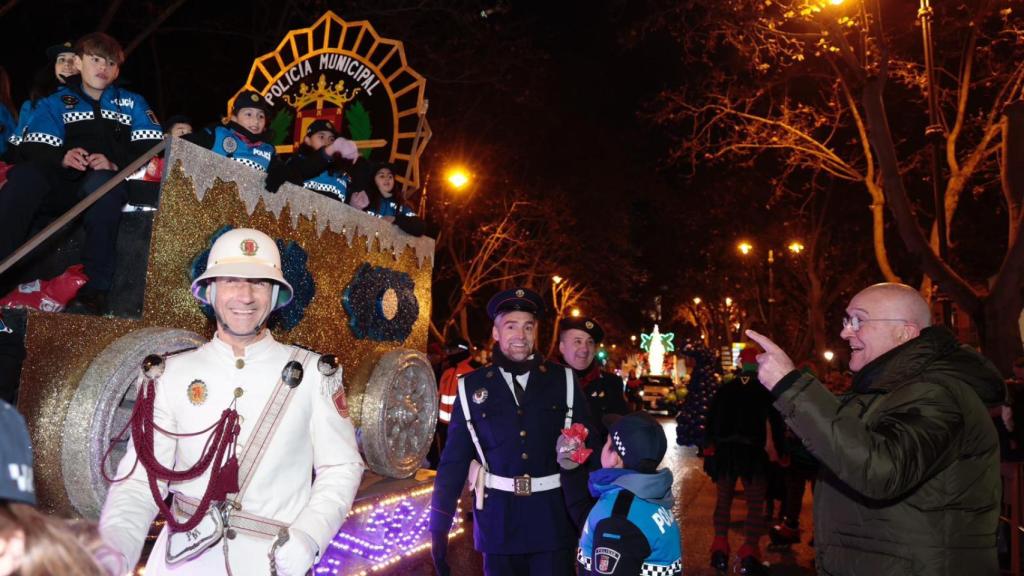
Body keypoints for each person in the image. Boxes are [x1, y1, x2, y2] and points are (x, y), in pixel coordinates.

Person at [99, 227, 365, 575]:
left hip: (271, 563)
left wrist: (310, 535)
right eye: (231, 281)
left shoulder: (315, 373)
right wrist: (115, 548)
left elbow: (342, 467)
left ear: (274, 295)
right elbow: (138, 484)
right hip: (181, 563)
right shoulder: (170, 374)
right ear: (209, 291)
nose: (245, 295)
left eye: (259, 282)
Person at [747, 282, 1004, 575]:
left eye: (858, 319)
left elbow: (882, 470)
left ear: (904, 333)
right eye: (846, 320)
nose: (845, 332)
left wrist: (791, 387)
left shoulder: (939, 394)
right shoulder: (883, 393)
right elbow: (843, 456)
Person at [429, 287, 594, 576]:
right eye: (511, 326)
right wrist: (439, 525)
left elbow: (582, 459)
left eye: (528, 327)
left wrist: (588, 519)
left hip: (553, 524)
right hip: (497, 525)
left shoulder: (563, 381)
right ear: (495, 333)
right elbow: (453, 463)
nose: (520, 335)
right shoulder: (470, 387)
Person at [0, 33, 163, 314]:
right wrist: (62, 157)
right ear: (78, 62)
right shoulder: (55, 102)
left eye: (111, 62)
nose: (103, 67)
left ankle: (95, 289)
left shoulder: (132, 102)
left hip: (107, 184)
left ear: (117, 70)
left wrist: (115, 163)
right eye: (96, 59)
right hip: (63, 184)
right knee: (25, 178)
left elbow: (152, 145)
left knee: (103, 185)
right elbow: (34, 145)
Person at [557, 411, 680, 576]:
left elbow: (613, 524)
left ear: (615, 458)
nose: (602, 447)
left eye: (606, 442)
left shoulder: (618, 520)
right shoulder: (639, 499)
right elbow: (592, 519)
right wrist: (570, 470)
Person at [702, 346, 783, 575]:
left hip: (726, 453)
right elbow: (776, 425)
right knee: (755, 505)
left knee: (724, 500)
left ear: (740, 364)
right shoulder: (765, 391)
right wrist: (781, 453)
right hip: (753, 454)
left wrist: (709, 446)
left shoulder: (726, 389)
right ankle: (749, 552)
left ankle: (719, 548)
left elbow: (711, 419)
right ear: (758, 364)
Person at [264, 119, 369, 209]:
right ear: (308, 140)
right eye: (321, 137)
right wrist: (329, 150)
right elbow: (305, 169)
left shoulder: (342, 173)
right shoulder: (297, 162)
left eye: (331, 139)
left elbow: (345, 212)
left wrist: (354, 205)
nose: (327, 142)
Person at [557, 316, 628, 444]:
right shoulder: (545, 382)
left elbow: (622, 433)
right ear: (562, 347)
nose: (584, 349)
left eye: (590, 342)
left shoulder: (611, 384)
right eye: (577, 341)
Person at [186, 91, 275, 172]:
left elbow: (282, 179)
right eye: (249, 114)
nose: (256, 121)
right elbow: (183, 148)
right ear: (234, 118)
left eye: (261, 116)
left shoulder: (268, 149)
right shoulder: (217, 133)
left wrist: (280, 172)